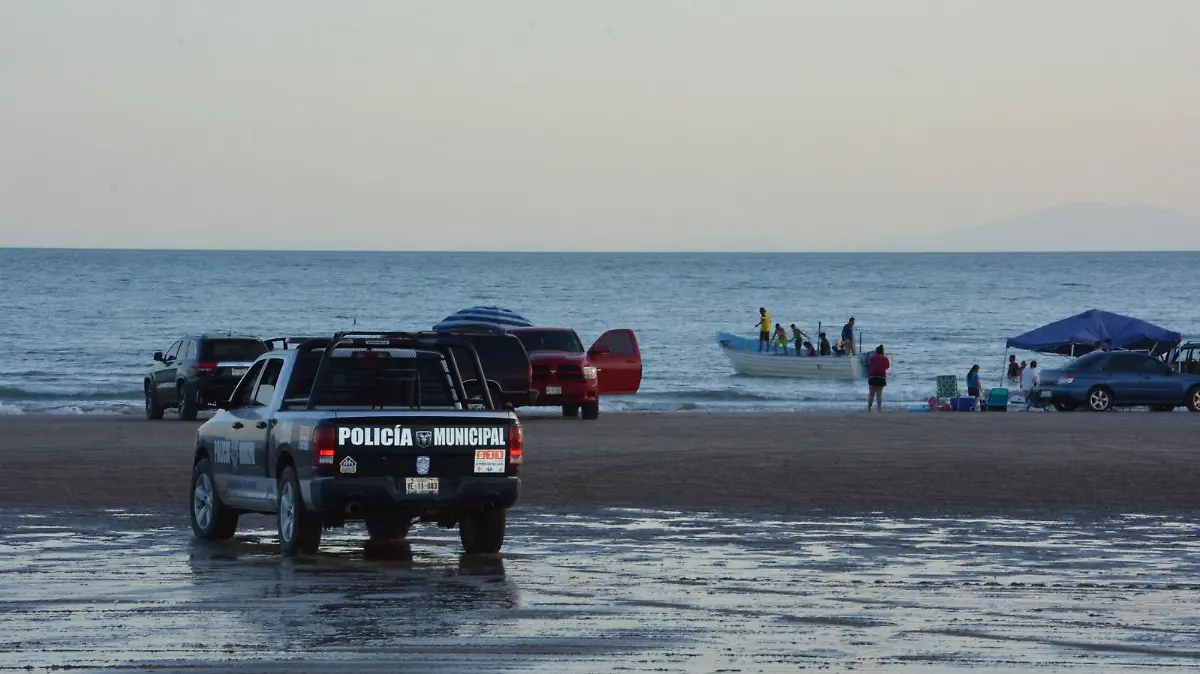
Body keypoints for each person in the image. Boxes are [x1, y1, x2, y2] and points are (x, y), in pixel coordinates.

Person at [866, 344, 890, 411]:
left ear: (876, 352)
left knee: (871, 394)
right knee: (879, 395)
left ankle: (869, 409)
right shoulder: (885, 359)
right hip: (881, 378)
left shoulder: (872, 358)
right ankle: (879, 409)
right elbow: (887, 367)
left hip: (873, 377)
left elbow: (869, 366)